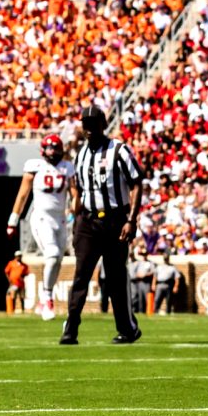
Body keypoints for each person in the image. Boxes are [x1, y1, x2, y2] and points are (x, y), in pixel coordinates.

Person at [61, 105, 143, 345]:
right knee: (81, 275)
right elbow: (79, 188)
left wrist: (131, 220)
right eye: (85, 124)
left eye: (93, 124)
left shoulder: (119, 150)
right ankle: (71, 328)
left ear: (103, 125)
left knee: (116, 277)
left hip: (115, 219)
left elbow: (137, 182)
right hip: (87, 220)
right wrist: (75, 220)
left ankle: (127, 329)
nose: (88, 129)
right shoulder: (81, 155)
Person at [7, 134, 75, 321]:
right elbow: (23, 195)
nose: (52, 152)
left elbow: (75, 194)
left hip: (60, 220)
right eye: (49, 148)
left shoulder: (67, 167)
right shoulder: (34, 166)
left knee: (57, 260)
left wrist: (78, 213)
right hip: (41, 218)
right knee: (52, 255)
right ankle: (46, 298)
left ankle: (45, 296)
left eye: (55, 148)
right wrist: (13, 220)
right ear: (43, 150)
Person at [129, 247, 154, 315]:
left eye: (145, 254)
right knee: (140, 298)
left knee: (146, 298)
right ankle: (140, 312)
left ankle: (148, 312)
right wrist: (138, 275)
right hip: (139, 282)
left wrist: (145, 275)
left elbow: (152, 272)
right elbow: (134, 271)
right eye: (143, 254)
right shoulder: (139, 263)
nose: (144, 255)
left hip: (146, 282)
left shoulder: (150, 263)